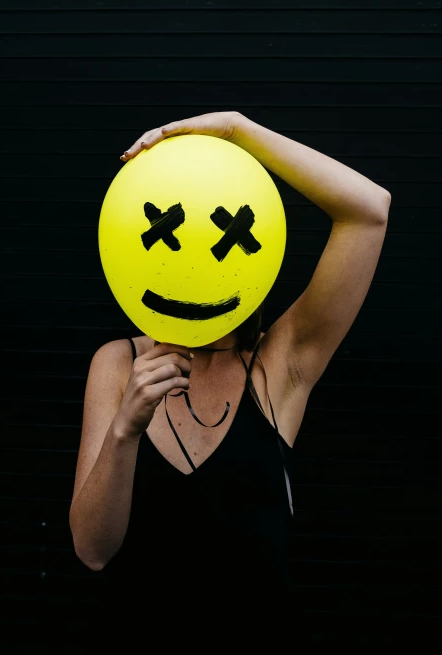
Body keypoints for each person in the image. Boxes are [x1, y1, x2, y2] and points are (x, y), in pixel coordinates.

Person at [69, 111, 391, 641]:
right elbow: (92, 551)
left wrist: (237, 129)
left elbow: (368, 211)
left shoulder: (280, 365)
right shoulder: (118, 363)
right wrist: (124, 429)